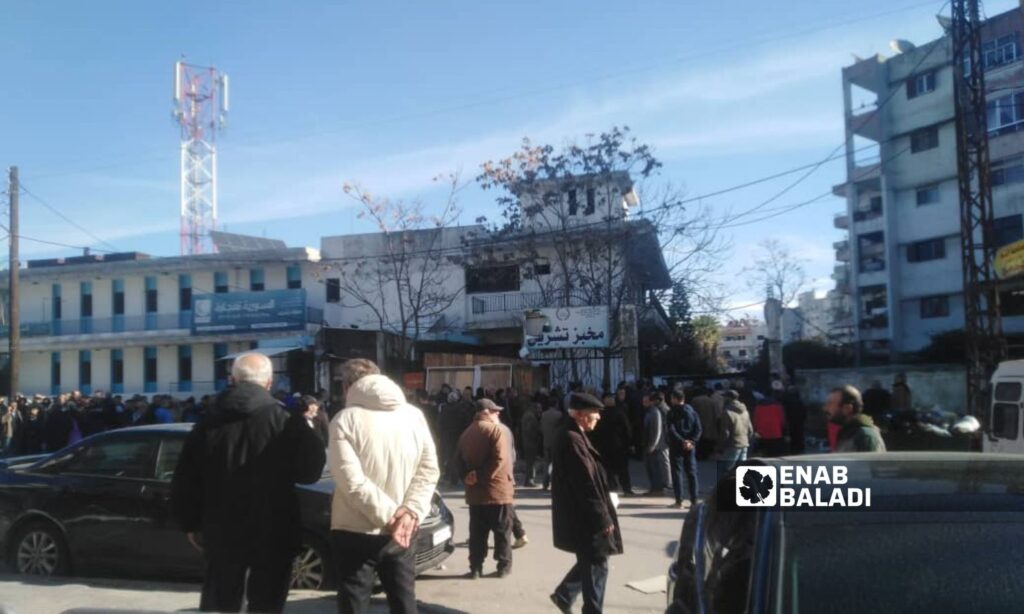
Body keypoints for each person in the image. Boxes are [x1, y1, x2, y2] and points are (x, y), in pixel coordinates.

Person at [170, 352, 326, 613]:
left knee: (223, 603)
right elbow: (310, 471)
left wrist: (190, 523)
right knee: (267, 603)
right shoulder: (286, 420)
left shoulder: (207, 422)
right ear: (268, 383)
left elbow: (186, 478)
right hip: (274, 527)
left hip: (221, 528)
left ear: (233, 379)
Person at [327, 359, 439, 614]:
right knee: (404, 602)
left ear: (347, 386)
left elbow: (351, 482)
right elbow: (429, 470)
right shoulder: (414, 415)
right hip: (404, 530)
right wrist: (409, 513)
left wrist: (392, 516)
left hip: (354, 528)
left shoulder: (344, 419)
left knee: (354, 604)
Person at [549, 392, 623, 614]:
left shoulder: (574, 434)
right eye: (595, 413)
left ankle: (565, 594)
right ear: (580, 414)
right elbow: (585, 483)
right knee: (597, 562)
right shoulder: (572, 439)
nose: (598, 417)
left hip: (581, 513)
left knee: (593, 559)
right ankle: (589, 609)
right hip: (585, 515)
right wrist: (602, 517)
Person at [455, 398, 515, 579]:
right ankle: (503, 566)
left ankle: (475, 567)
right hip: (497, 490)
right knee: (502, 530)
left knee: (477, 532)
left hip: (475, 492)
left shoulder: (466, 433)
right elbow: (500, 459)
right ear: (485, 412)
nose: (498, 414)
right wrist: (480, 476)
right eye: (495, 411)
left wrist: (468, 476)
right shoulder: (495, 431)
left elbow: (457, 460)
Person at [589, 393, 633, 496]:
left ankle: (613, 488)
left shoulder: (600, 413)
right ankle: (626, 489)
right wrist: (629, 443)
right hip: (619, 445)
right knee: (622, 469)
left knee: (608, 469)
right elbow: (627, 429)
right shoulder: (620, 412)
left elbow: (594, 430)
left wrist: (594, 443)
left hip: (604, 445)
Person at [825, 385, 887, 453]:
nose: (826, 408)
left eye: (831, 404)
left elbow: (870, 463)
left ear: (847, 408)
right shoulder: (848, 433)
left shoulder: (865, 437)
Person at [666, 389, 701, 508]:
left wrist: (682, 441)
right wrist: (692, 441)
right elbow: (698, 428)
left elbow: (671, 429)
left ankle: (679, 501)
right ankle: (694, 500)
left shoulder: (672, 412)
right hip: (690, 446)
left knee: (677, 473)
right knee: (692, 473)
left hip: (676, 446)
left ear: (675, 399)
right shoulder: (692, 412)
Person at [642, 392, 670, 495]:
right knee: (654, 466)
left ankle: (661, 487)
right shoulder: (651, 411)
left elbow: (658, 429)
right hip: (654, 443)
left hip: (657, 443)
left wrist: (653, 445)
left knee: (658, 465)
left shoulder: (655, 412)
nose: (644, 403)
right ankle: (657, 487)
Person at [718, 390, 753, 472]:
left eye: (724, 397)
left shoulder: (727, 412)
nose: (723, 399)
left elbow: (725, 433)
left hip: (732, 444)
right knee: (742, 470)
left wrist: (720, 446)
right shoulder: (745, 411)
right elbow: (750, 430)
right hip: (744, 443)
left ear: (729, 398)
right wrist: (746, 440)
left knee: (727, 469)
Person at [752, 382, 787, 457]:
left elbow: (755, 419)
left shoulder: (759, 405)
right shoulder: (777, 405)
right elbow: (782, 419)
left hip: (762, 432)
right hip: (776, 432)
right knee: (775, 453)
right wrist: (784, 429)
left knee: (765, 453)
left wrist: (756, 429)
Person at [688, 385, 718, 461]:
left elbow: (691, 413)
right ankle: (707, 455)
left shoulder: (695, 400)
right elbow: (715, 414)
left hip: (699, 422)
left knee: (700, 439)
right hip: (710, 423)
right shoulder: (711, 400)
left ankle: (700, 455)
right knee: (707, 440)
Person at [540, 401, 564, 491]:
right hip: (556, 442)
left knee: (546, 463)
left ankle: (545, 483)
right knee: (555, 464)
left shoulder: (544, 414)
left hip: (546, 441)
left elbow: (541, 427)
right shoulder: (559, 414)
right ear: (556, 404)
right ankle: (554, 483)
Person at [519, 401, 543, 487]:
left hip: (528, 442)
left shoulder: (529, 415)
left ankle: (528, 480)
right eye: (539, 408)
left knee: (530, 462)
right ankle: (530, 480)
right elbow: (530, 430)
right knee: (530, 462)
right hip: (530, 442)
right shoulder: (530, 416)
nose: (540, 410)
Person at [780, 383, 807, 455]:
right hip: (799, 421)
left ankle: (793, 448)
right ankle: (799, 448)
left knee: (792, 435)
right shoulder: (799, 400)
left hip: (790, 421)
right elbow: (803, 411)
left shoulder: (786, 400)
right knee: (799, 435)